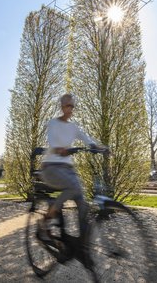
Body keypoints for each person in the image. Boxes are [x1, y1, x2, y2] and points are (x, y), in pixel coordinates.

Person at [38, 93, 104, 245]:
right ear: (62, 106)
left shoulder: (74, 126)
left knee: (82, 200)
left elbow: (85, 137)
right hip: (50, 167)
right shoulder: (53, 123)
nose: (70, 108)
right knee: (74, 187)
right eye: (68, 105)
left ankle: (83, 245)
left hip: (67, 169)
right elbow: (53, 142)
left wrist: (96, 146)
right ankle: (46, 221)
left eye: (72, 106)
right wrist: (60, 149)